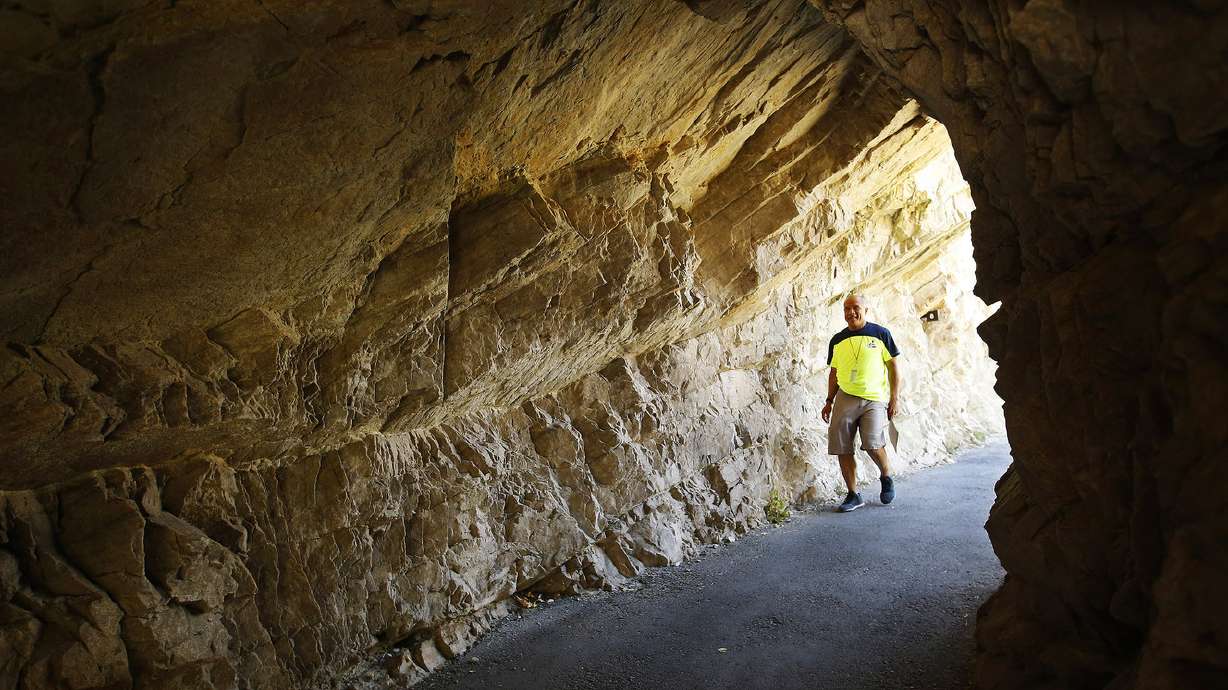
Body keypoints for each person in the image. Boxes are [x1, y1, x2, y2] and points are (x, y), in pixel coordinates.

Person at [821, 294, 901, 512]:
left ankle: (886, 476)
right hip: (845, 396)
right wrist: (829, 400)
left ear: (866, 309)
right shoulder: (837, 340)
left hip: (874, 398)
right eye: (847, 309)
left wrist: (894, 397)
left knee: (873, 444)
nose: (851, 312)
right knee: (841, 446)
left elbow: (893, 367)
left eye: (856, 307)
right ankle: (853, 494)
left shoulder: (881, 334)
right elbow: (834, 372)